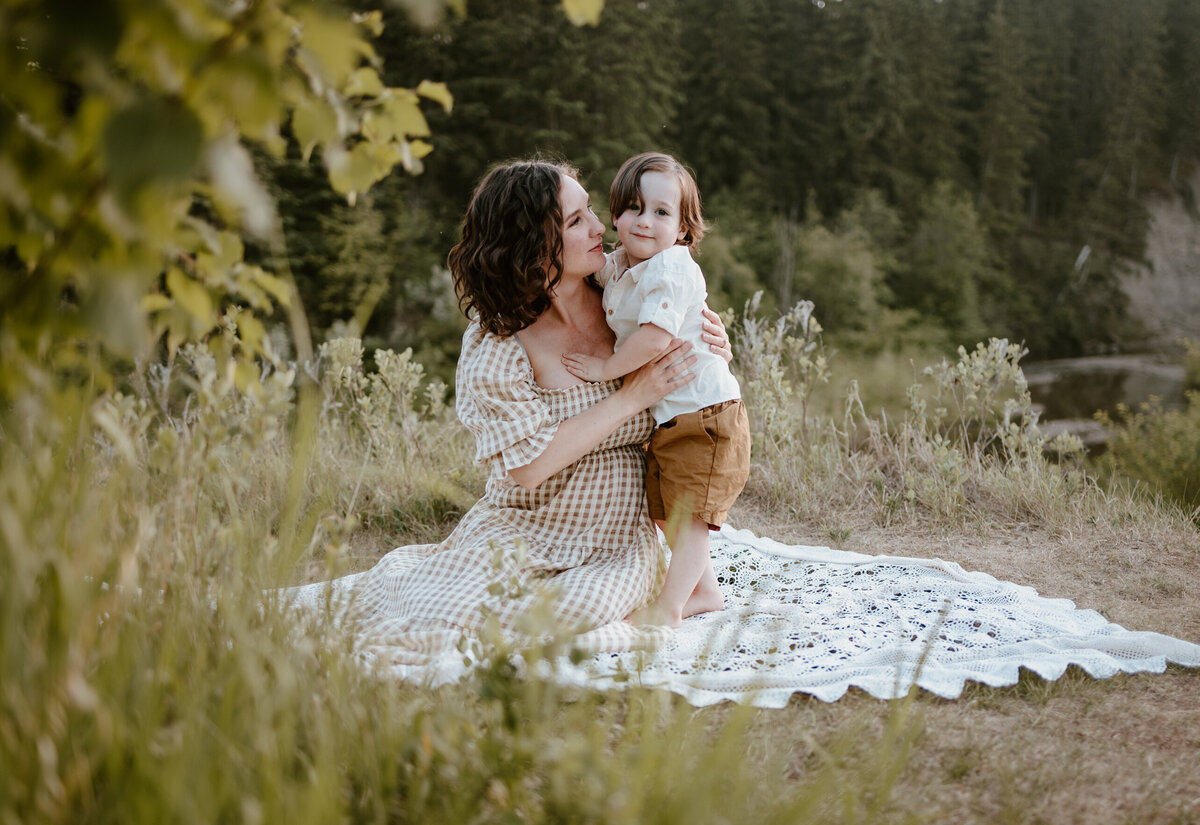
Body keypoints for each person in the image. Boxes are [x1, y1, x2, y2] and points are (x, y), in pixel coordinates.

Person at [287, 158, 732, 673]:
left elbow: (695, 378)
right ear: (535, 245)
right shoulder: (498, 342)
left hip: (614, 535)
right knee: (443, 611)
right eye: (575, 221)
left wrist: (714, 346)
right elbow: (526, 467)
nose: (600, 228)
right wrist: (630, 398)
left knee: (573, 610)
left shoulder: (626, 293)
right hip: (524, 522)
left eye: (590, 211)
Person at [561, 153, 750, 628]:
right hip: (673, 417)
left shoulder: (671, 269)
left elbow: (653, 338)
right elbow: (596, 275)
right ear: (617, 214)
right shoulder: (625, 264)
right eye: (633, 208)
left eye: (662, 213)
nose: (644, 222)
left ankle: (669, 609)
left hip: (705, 414)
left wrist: (606, 368)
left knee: (690, 520)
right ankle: (704, 592)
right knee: (666, 512)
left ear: (684, 229)